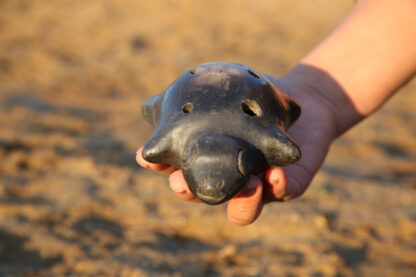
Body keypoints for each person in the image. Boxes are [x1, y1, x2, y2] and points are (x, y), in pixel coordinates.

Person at [136, 0, 416, 226]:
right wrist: (322, 94)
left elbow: (152, 149)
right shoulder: (178, 132)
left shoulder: (172, 134)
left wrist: (323, 96)